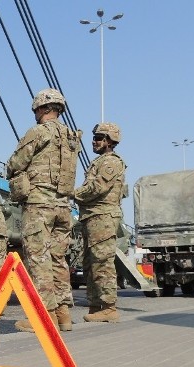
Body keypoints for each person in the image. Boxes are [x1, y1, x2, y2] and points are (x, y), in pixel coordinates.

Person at [6, 88, 82, 332]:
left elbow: (15, 163)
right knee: (58, 259)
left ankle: (43, 316)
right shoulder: (71, 137)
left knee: (38, 258)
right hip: (63, 207)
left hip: (40, 204)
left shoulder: (38, 132)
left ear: (40, 108)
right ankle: (63, 314)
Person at [74, 123, 126, 322]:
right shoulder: (99, 161)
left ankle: (110, 308)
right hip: (92, 217)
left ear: (109, 141)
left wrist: (73, 194)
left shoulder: (111, 162)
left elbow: (97, 188)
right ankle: (96, 305)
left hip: (103, 217)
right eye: (94, 137)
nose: (93, 141)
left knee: (102, 262)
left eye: (98, 138)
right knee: (90, 263)